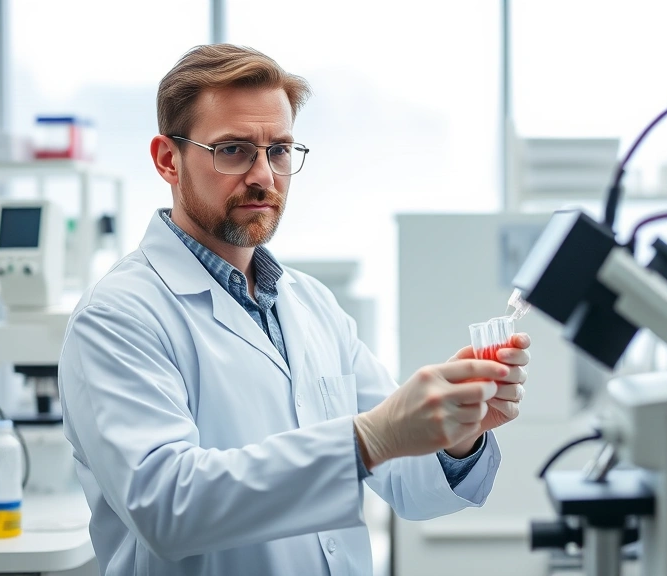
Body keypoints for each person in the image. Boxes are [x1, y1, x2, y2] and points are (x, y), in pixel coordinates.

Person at [57, 43, 531, 576]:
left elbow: (403, 484)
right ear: (168, 159)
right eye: (233, 150)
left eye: (279, 150)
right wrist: (366, 437)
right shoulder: (118, 317)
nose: (263, 175)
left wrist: (458, 434)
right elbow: (168, 509)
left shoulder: (311, 305)